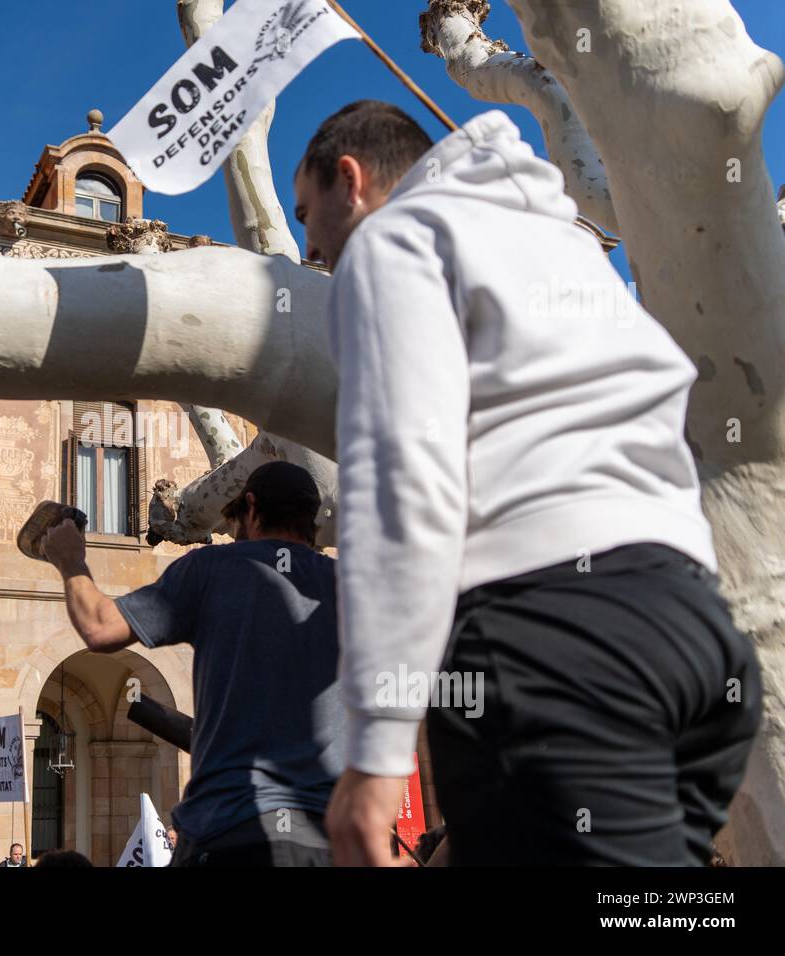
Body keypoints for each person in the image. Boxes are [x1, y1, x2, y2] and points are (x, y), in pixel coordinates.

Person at [293, 99, 762, 866]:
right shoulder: (562, 245)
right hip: (696, 638)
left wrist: (376, 754)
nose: (310, 245)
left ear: (352, 180)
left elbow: (406, 471)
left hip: (551, 638)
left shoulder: (392, 243)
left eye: (307, 212)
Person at [41, 461, 347, 866]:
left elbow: (100, 628)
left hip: (228, 832)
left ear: (251, 506)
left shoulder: (212, 569)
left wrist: (71, 561)